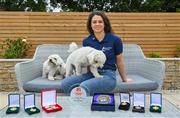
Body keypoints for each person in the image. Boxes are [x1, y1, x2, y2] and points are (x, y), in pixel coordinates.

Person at [61, 11, 132, 96]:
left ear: (105, 23)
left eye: (100, 21)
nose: (97, 24)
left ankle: (82, 104)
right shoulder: (87, 41)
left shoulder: (115, 40)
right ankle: (81, 95)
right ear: (90, 25)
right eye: (94, 22)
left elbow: (119, 61)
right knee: (65, 83)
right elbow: (86, 63)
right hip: (91, 73)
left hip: (108, 75)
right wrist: (82, 76)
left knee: (84, 86)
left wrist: (124, 79)